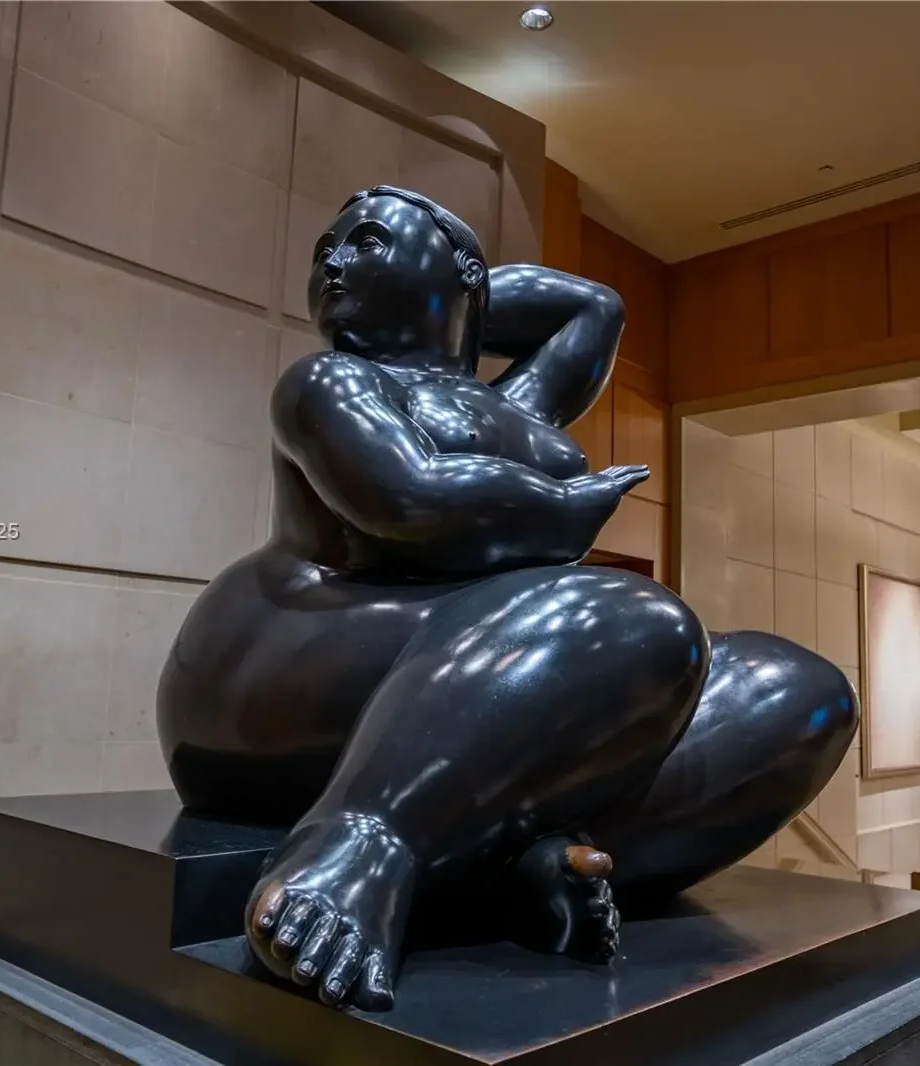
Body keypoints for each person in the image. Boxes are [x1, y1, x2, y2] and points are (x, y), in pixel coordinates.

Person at [157, 186, 857, 1011]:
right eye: (324, 253)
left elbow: (593, 309)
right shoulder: (331, 380)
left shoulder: (510, 404)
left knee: (797, 695)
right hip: (289, 664)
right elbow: (408, 500)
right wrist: (559, 505)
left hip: (462, 678)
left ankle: (512, 864)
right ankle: (358, 845)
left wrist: (468, 299)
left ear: (460, 272)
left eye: (367, 241)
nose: (334, 263)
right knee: (638, 622)